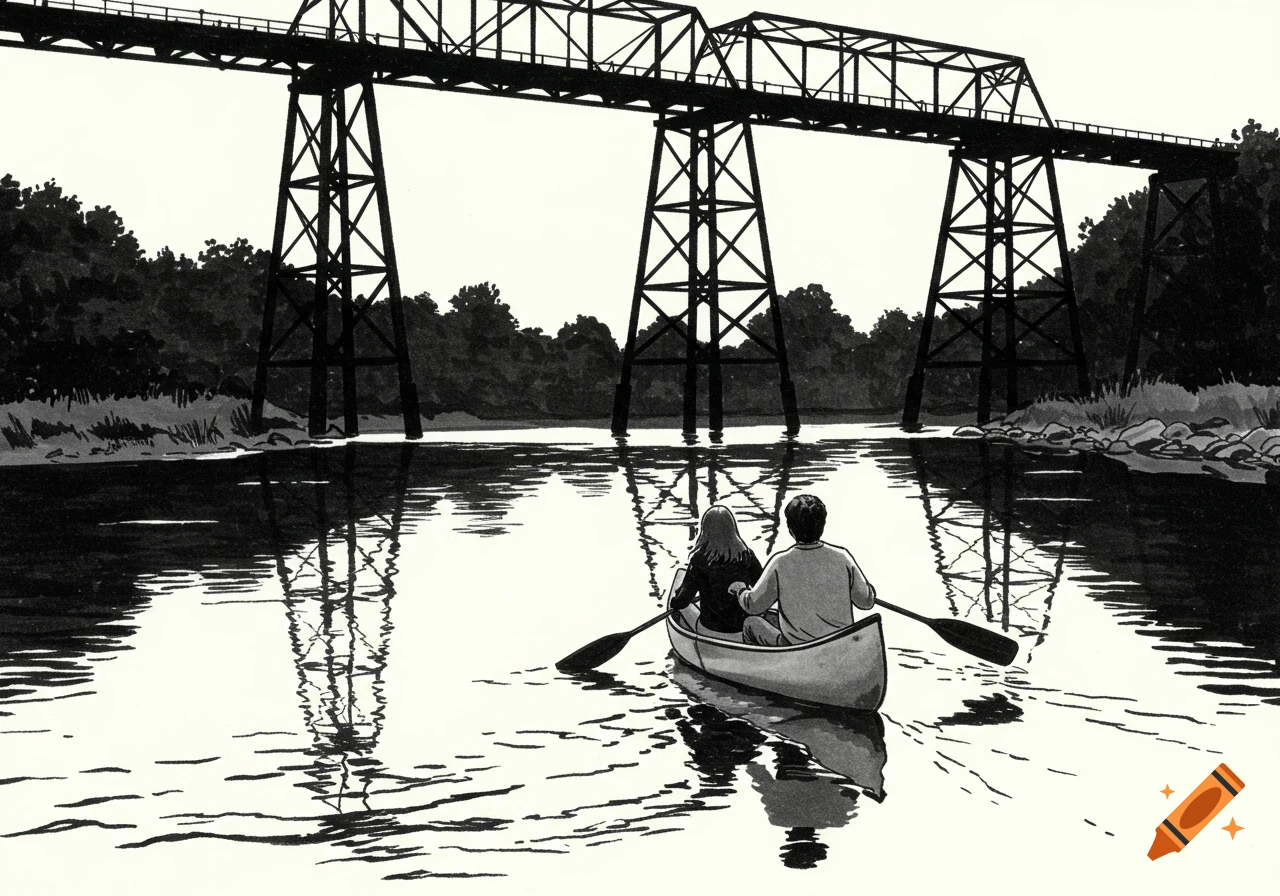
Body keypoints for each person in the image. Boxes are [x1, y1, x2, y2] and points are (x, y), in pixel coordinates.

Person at [730, 494, 874, 646]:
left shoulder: (780, 562)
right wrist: (867, 589)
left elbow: (753, 606)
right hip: (840, 644)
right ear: (822, 526)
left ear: (791, 529)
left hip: (798, 648)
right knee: (773, 616)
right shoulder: (842, 557)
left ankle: (763, 668)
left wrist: (741, 591)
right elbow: (866, 602)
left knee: (750, 623)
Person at [672, 505, 763, 638]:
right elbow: (760, 589)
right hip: (741, 626)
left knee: (684, 611)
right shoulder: (747, 555)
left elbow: (683, 601)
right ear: (732, 529)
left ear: (706, 530)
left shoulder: (699, 559)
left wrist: (674, 600)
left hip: (710, 627)